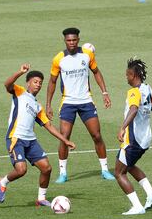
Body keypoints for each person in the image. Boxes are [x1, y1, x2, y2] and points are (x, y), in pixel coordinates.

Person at [0, 64, 75, 206]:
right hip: (16, 138)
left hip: (31, 141)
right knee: (21, 170)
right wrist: (20, 72)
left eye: (40, 83)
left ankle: (41, 198)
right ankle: (2, 182)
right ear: (28, 83)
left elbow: (49, 126)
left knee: (47, 168)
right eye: (35, 82)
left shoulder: (38, 106)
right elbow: (7, 84)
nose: (38, 85)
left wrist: (65, 141)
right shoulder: (19, 92)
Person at [46, 27, 115, 183]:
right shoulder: (58, 59)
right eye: (69, 40)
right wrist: (48, 104)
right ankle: (63, 173)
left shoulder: (87, 54)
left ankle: (105, 170)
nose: (71, 43)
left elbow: (96, 72)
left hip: (86, 101)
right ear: (64, 41)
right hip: (68, 103)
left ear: (78, 40)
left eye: (74, 40)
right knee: (64, 138)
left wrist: (105, 93)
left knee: (97, 135)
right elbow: (52, 81)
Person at [115, 58, 152, 215]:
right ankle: (151, 193)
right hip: (146, 137)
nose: (126, 77)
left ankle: (137, 206)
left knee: (119, 172)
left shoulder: (133, 92)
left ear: (133, 75)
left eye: (127, 74)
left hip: (134, 140)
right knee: (130, 165)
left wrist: (122, 127)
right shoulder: (148, 88)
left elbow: (133, 109)